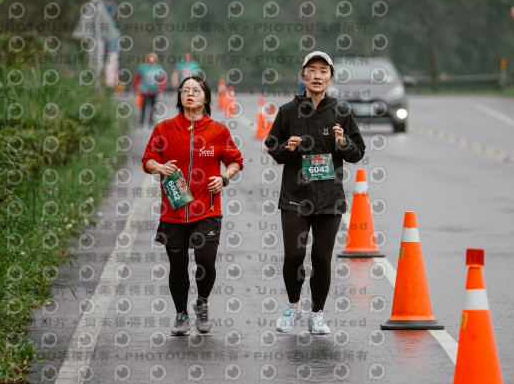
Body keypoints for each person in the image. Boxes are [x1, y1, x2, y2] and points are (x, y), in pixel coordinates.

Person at [264, 51, 366, 334]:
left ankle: (317, 314)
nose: (317, 76)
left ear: (331, 77)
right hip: (295, 196)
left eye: (323, 71)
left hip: (329, 198)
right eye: (311, 70)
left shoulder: (341, 111)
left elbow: (358, 152)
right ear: (303, 76)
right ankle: (293, 306)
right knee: (294, 255)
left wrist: (343, 143)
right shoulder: (288, 111)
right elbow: (272, 146)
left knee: (321, 258)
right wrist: (287, 148)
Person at [142, 75, 243, 335]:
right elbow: (148, 160)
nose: (189, 94)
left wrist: (224, 178)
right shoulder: (164, 129)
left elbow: (235, 161)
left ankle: (202, 303)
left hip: (207, 209)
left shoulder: (217, 130)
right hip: (173, 211)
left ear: (206, 97)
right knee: (177, 266)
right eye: (185, 90)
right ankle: (181, 314)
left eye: (196, 90)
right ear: (179, 97)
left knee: (206, 262)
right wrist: (158, 167)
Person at [133, 52, 166, 127]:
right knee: (143, 105)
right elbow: (138, 78)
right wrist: (135, 87)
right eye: (150, 57)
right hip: (144, 90)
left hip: (154, 90)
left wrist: (161, 88)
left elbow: (161, 79)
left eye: (153, 58)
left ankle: (151, 121)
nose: (151, 59)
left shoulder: (158, 68)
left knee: (153, 106)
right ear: (148, 58)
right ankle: (141, 120)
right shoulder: (142, 67)